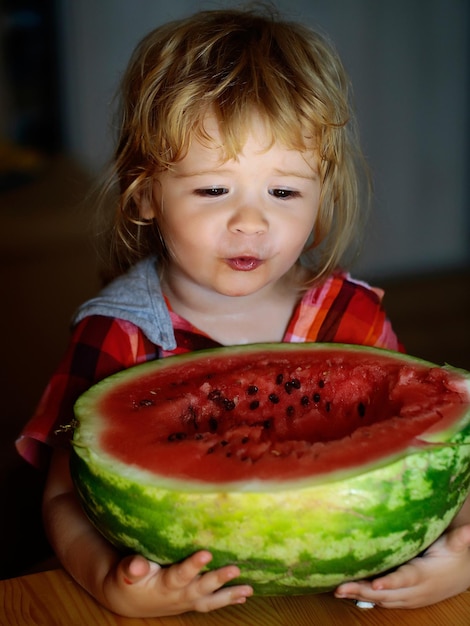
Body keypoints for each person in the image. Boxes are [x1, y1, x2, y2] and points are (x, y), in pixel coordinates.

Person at [16, 5, 470, 618]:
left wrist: (460, 553)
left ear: (322, 194)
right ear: (147, 194)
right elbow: (63, 498)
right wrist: (112, 583)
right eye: (213, 190)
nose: (250, 222)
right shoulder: (118, 334)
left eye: (283, 192)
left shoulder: (352, 318)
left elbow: (434, 456)